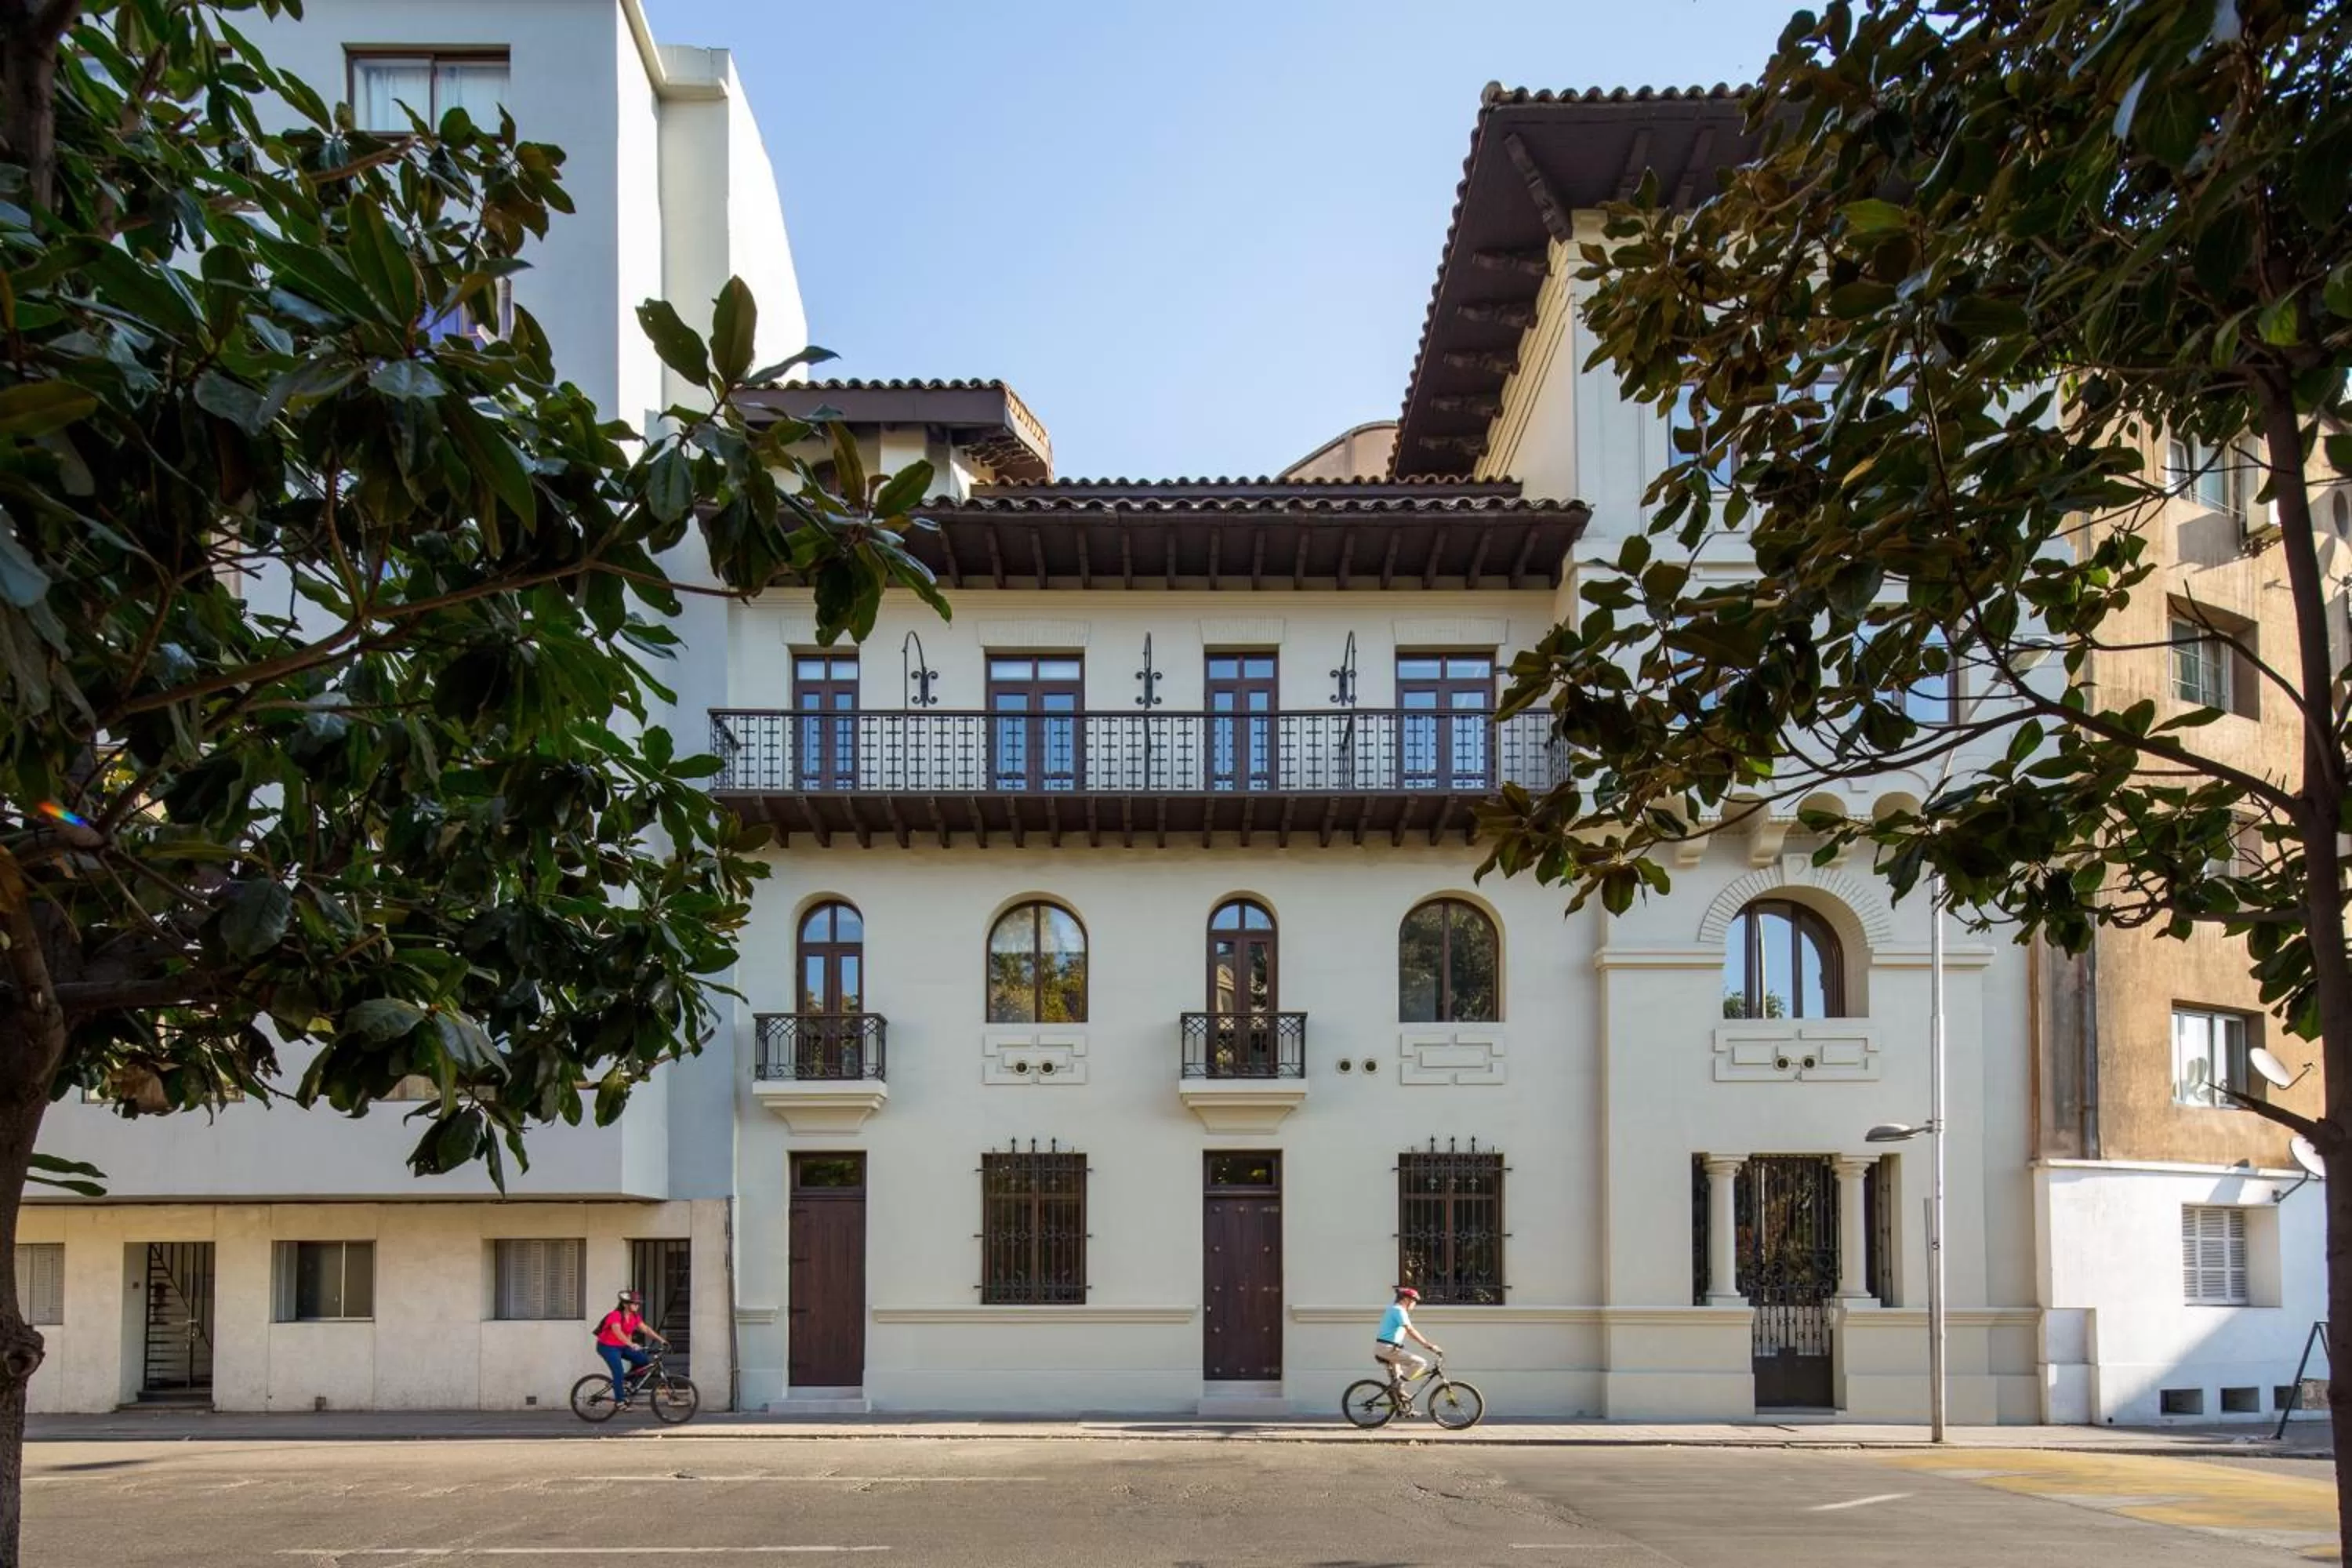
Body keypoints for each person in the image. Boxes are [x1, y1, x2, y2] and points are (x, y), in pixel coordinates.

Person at [593, 1289, 667, 1406]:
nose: (637, 1305)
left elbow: (646, 1329)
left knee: (643, 1361)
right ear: (625, 1304)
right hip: (607, 1347)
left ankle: (627, 1382)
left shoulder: (634, 1316)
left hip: (622, 1346)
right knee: (618, 1371)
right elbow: (617, 1332)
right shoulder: (615, 1315)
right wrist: (631, 1344)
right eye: (634, 1303)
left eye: (638, 1303)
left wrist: (662, 1340)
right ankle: (620, 1401)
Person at [1374, 1285, 1442, 1412]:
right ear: (1406, 1299)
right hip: (1387, 1349)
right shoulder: (1399, 1310)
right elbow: (1410, 1330)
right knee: (1420, 1363)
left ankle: (1403, 1407)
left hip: (1387, 1348)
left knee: (1399, 1380)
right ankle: (1398, 1388)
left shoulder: (1393, 1309)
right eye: (1414, 1301)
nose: (1415, 1304)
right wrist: (1428, 1345)